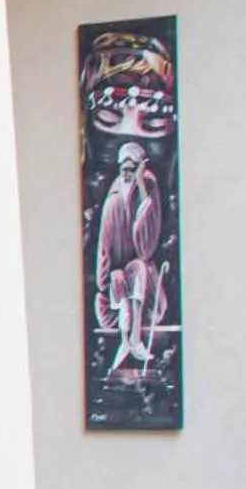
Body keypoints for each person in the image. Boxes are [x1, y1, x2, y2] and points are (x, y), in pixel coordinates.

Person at [93, 140, 167, 377]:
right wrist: (104, 278)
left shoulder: (149, 185)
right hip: (117, 275)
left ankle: (135, 337)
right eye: (123, 168)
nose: (127, 172)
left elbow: (146, 247)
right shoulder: (113, 195)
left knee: (139, 269)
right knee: (119, 279)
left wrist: (142, 187)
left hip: (143, 273)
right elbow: (105, 243)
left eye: (132, 167)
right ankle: (127, 340)